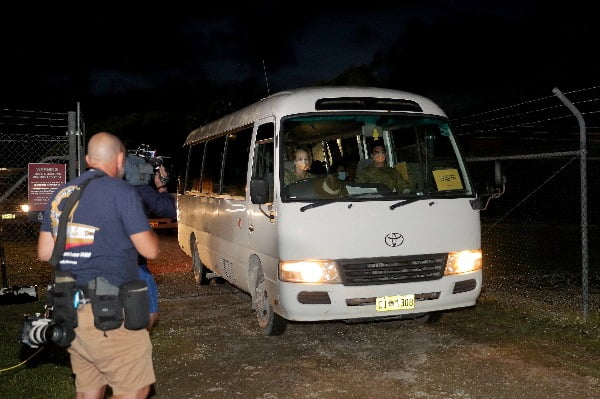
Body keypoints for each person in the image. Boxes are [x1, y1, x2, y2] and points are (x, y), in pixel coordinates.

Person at [37, 132, 159, 399]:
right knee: (135, 390)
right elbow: (149, 249)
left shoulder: (62, 193)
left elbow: (45, 252)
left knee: (89, 390)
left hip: (70, 308)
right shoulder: (121, 192)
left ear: (89, 159)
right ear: (120, 159)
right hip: (111, 312)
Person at [126, 158, 176, 333]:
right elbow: (168, 209)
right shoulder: (141, 190)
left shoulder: (106, 190)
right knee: (150, 314)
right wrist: (161, 185)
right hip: (134, 262)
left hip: (104, 260)